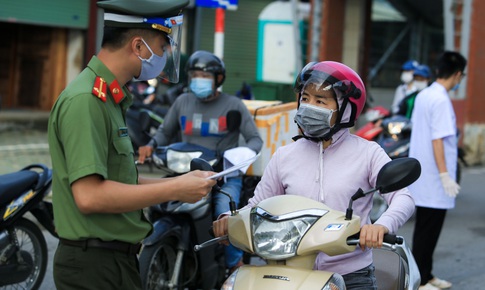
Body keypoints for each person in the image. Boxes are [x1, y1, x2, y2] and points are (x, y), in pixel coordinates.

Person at [47, 1, 217, 289]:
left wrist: (181, 183)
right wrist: (176, 188)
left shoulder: (109, 98)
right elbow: (89, 196)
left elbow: (122, 180)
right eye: (162, 48)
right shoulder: (87, 100)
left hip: (112, 262)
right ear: (138, 47)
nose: (164, 56)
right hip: (93, 266)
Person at [213, 61, 415, 289]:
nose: (309, 106)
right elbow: (258, 206)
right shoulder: (284, 155)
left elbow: (403, 197)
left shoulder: (367, 153)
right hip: (286, 272)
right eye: (306, 98)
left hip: (350, 275)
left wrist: (382, 226)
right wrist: (232, 220)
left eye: (320, 101)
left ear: (345, 108)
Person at [137, 50, 264, 272]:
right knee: (155, 200)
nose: (199, 80)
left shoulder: (233, 105)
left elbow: (255, 140)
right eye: (195, 74)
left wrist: (239, 155)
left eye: (205, 76)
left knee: (226, 213)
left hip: (222, 175)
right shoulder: (182, 101)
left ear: (218, 79)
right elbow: (165, 132)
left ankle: (235, 264)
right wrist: (151, 146)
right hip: (185, 171)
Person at [408, 51, 467, 290]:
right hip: (434, 177)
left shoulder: (425, 94)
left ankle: (426, 274)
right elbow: (438, 140)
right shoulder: (441, 99)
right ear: (457, 74)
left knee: (424, 228)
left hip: (423, 173)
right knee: (428, 231)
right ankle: (420, 280)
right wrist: (444, 175)